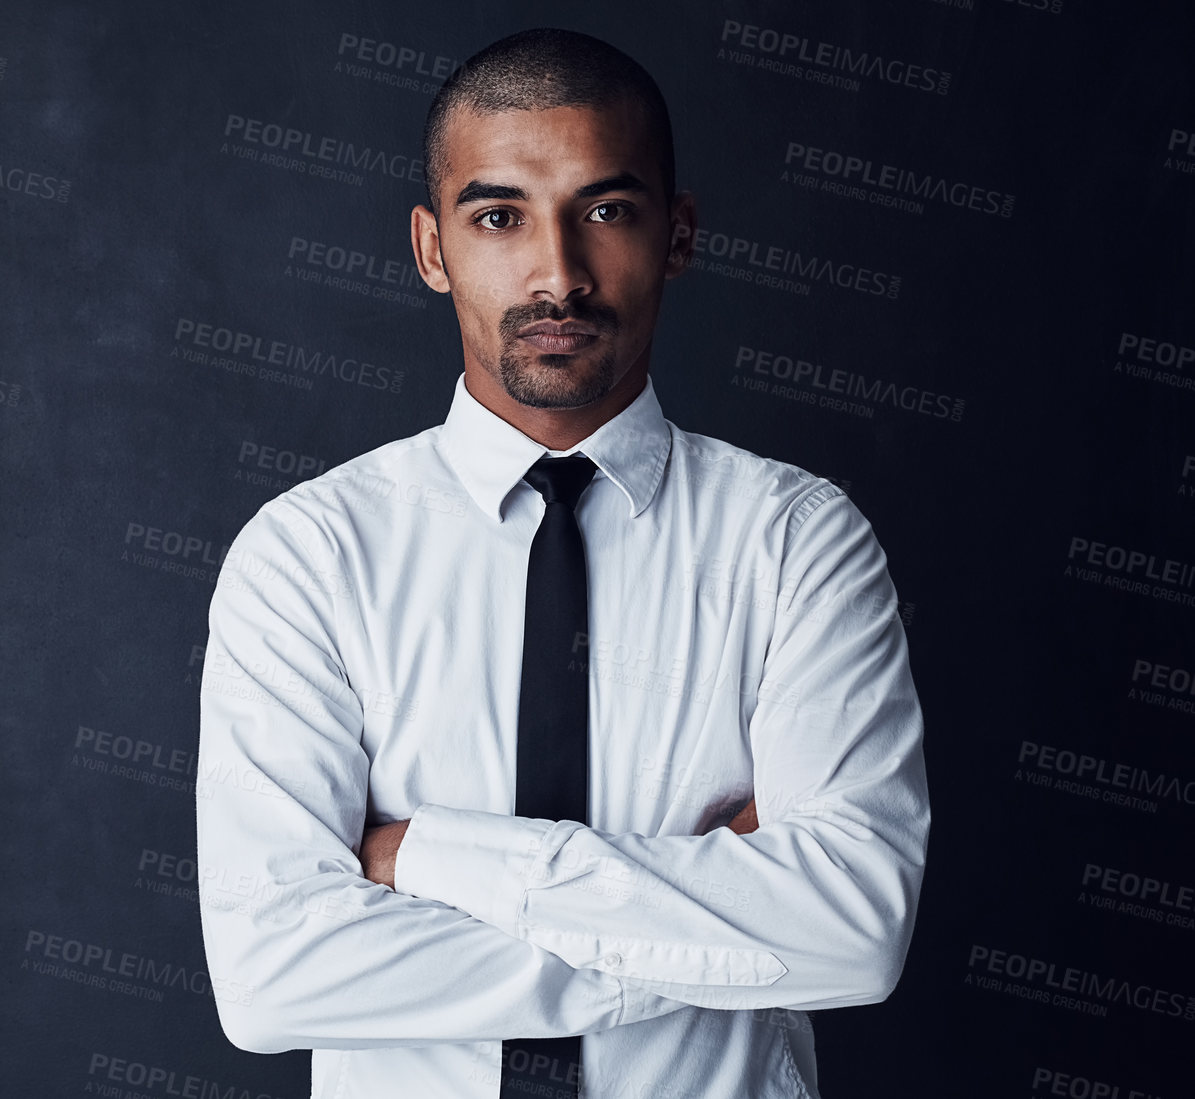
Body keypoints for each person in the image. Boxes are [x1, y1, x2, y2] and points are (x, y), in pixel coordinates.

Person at [195, 27, 928, 1099]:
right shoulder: (308, 555)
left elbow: (852, 935)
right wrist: (696, 932)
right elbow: (271, 978)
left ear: (677, 235)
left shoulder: (796, 543)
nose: (557, 273)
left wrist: (430, 859)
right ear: (431, 247)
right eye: (499, 216)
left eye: (607, 211)